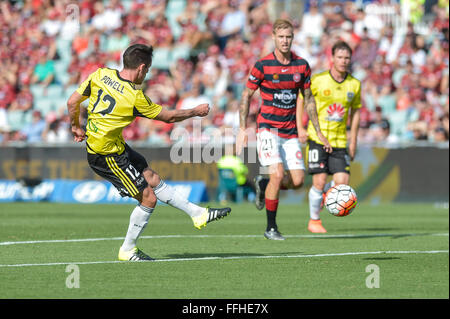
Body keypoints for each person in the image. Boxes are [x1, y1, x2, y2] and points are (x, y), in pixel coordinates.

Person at [67, 44, 231, 261]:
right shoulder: (134, 96)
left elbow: (72, 101)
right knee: (148, 198)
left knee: (151, 177)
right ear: (141, 67)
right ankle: (127, 249)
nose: (147, 74)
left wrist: (76, 126)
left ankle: (197, 214)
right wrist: (195, 112)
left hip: (115, 146)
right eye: (148, 70)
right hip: (106, 155)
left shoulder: (101, 74)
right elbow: (169, 117)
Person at [236, 19, 332, 240]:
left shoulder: (302, 66)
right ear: (273, 38)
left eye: (288, 37)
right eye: (281, 37)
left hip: (289, 133)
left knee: (298, 181)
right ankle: (271, 228)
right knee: (278, 174)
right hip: (267, 128)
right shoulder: (262, 66)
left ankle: (264, 183)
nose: (285, 40)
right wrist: (242, 128)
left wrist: (318, 130)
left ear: (293, 38)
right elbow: (246, 96)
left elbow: (308, 100)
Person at [304, 40, 361, 233]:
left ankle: (321, 198)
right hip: (318, 138)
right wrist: (300, 127)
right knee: (319, 181)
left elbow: (356, 113)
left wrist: (353, 140)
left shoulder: (354, 84)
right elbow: (302, 100)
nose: (344, 61)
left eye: (347, 58)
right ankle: (314, 221)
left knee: (342, 183)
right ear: (332, 58)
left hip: (339, 140)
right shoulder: (319, 80)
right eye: (340, 57)